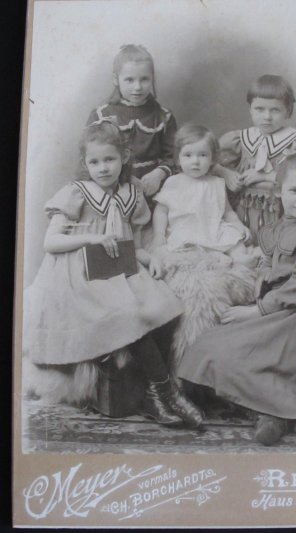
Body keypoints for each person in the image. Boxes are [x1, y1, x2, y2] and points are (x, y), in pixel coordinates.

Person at [177, 153, 296, 446]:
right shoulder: (276, 227)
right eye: (294, 190)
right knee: (209, 348)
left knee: (294, 362)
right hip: (280, 307)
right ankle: (271, 412)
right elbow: (271, 264)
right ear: (279, 191)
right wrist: (260, 281)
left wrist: (257, 311)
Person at [23, 121, 203, 428]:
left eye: (109, 159)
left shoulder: (131, 193)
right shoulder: (77, 193)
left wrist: (149, 258)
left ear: (124, 157)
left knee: (165, 306)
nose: (103, 168)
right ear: (85, 164)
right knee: (128, 314)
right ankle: (165, 393)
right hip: (79, 273)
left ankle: (157, 394)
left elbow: (133, 241)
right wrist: (92, 238)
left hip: (118, 266)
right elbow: (50, 242)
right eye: (94, 162)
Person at [213, 75, 296, 239]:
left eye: (275, 110)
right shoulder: (240, 140)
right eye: (259, 109)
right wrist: (225, 173)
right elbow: (208, 163)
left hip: (281, 216)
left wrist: (265, 176)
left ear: (288, 111)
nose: (267, 117)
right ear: (250, 110)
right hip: (242, 214)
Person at [152, 124, 258, 267]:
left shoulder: (217, 183)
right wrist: (159, 234)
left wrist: (238, 225)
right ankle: (215, 256)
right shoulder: (173, 182)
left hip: (213, 227)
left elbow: (227, 212)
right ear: (178, 159)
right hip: (186, 228)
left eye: (202, 155)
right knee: (185, 245)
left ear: (212, 159)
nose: (195, 161)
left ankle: (239, 256)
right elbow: (161, 211)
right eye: (188, 155)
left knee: (233, 236)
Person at [87, 44, 177, 198]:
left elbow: (174, 156)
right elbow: (91, 157)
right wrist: (124, 177)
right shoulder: (101, 115)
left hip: (154, 189)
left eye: (144, 79)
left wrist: (158, 174)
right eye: (129, 80)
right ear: (116, 79)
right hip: (113, 187)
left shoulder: (163, 116)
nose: (137, 87)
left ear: (152, 78)